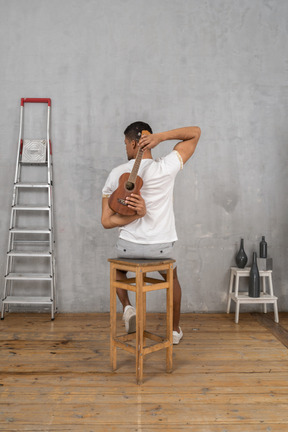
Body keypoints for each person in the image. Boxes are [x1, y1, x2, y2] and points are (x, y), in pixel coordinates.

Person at [101, 121, 201, 344]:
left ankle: (128, 307)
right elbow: (195, 133)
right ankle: (174, 331)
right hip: (161, 249)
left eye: (126, 143)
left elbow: (106, 222)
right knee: (172, 278)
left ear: (134, 143)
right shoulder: (167, 167)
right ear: (150, 143)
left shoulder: (116, 174)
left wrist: (134, 217)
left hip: (128, 248)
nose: (126, 148)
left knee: (118, 270)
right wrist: (162, 137)